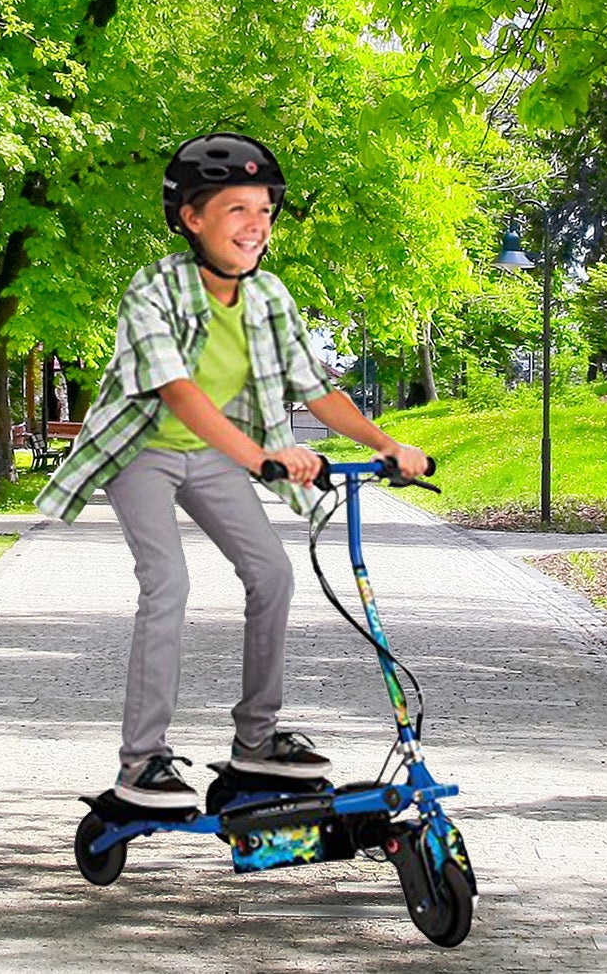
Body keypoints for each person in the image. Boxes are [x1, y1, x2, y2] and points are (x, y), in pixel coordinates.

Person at [36, 133, 429, 811]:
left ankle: (256, 741)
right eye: (237, 210)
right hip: (142, 452)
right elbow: (177, 390)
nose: (257, 226)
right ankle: (142, 762)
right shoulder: (154, 289)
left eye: (266, 211)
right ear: (191, 218)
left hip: (212, 455)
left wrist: (390, 444)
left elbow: (317, 391)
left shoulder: (269, 297)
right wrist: (262, 458)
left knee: (273, 573)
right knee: (168, 584)